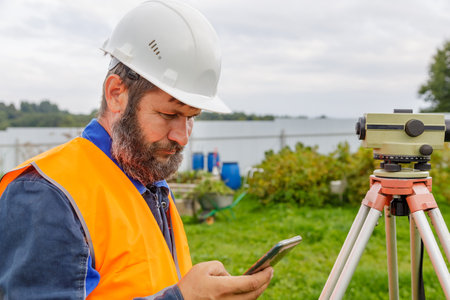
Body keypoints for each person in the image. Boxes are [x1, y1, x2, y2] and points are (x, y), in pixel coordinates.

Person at [0, 1, 273, 299]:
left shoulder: (146, 177)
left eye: (191, 117)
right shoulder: (45, 195)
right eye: (169, 115)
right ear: (117, 93)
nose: (182, 137)